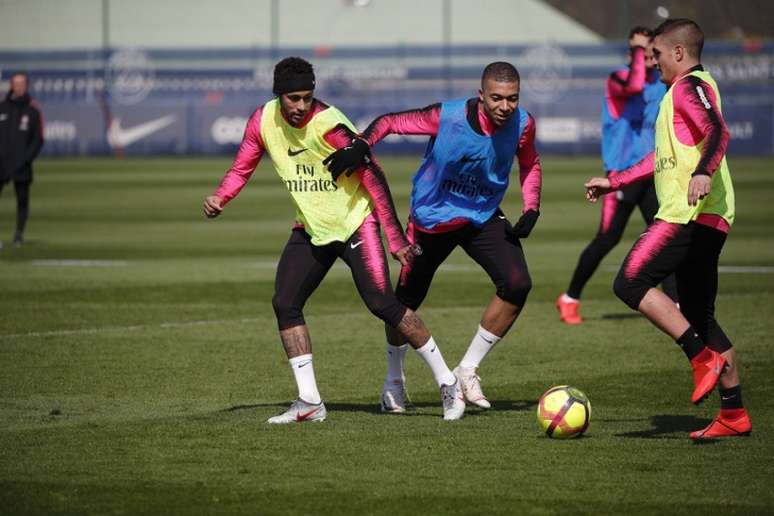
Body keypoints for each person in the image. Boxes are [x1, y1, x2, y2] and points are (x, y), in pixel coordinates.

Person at [203, 57, 466, 423]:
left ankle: (448, 382)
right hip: (312, 229)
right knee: (286, 303)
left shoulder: (330, 125)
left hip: (356, 224)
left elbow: (373, 175)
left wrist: (394, 238)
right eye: (293, 98)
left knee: (383, 305)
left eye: (307, 97)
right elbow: (243, 164)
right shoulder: (262, 120)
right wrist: (221, 196)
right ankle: (309, 401)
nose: (301, 106)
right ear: (278, 95)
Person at [324, 62, 541, 412]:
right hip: (432, 220)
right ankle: (394, 379)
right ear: (481, 95)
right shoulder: (447, 116)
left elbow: (530, 163)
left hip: (481, 214)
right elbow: (390, 122)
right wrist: (362, 144)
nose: (505, 107)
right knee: (403, 304)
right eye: (497, 98)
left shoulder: (524, 123)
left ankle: (467, 369)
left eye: (512, 99)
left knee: (517, 284)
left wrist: (532, 207)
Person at [584, 19, 751, 439]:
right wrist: (615, 180)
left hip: (686, 214)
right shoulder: (679, 92)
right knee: (699, 313)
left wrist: (704, 172)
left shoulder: (689, 87)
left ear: (678, 53)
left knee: (629, 282)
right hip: (707, 216)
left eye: (655, 54)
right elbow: (661, 157)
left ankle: (700, 359)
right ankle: (734, 415)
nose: (650, 61)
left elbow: (718, 131)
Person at [556, 27, 678, 325]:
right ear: (631, 54)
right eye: (640, 53)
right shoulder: (618, 78)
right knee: (608, 238)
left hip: (651, 173)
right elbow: (634, 85)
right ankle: (569, 298)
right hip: (620, 174)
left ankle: (675, 305)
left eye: (651, 53)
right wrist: (639, 51)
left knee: (665, 237)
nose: (648, 59)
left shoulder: (661, 84)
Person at [0, 72, 44, 248]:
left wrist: (27, 159)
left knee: (22, 199)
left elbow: (38, 139)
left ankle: (18, 234)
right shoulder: (2, 107)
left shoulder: (33, 110)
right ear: (11, 85)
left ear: (26, 86)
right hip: (1, 163)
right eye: (15, 83)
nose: (18, 86)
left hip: (22, 164)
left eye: (21, 83)